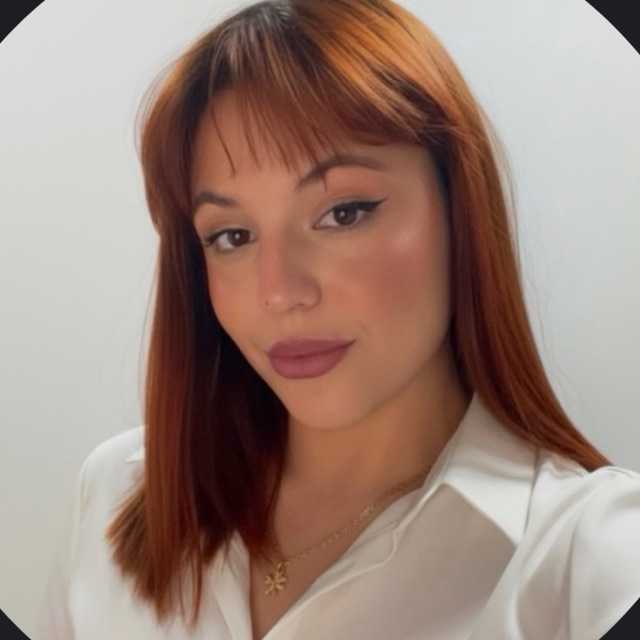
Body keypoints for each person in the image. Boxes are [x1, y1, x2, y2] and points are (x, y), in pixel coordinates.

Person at [36, 1, 640, 638]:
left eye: (343, 213)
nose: (280, 292)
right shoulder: (116, 495)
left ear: (459, 209)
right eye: (233, 236)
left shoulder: (592, 562)